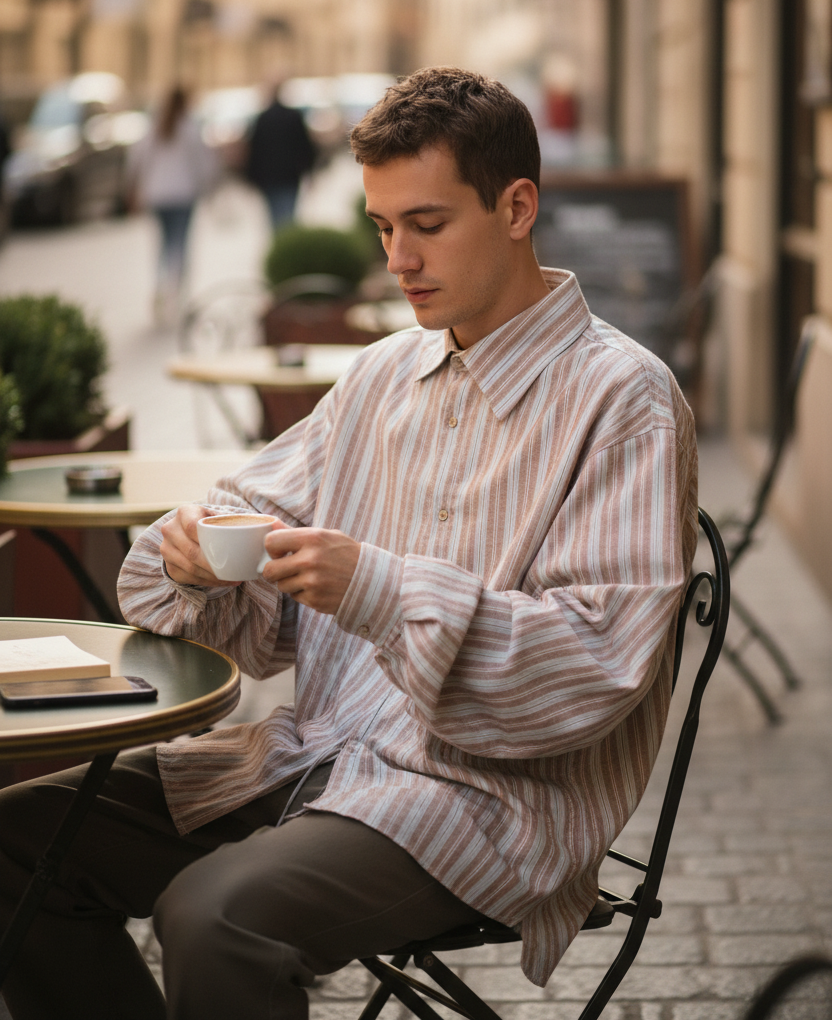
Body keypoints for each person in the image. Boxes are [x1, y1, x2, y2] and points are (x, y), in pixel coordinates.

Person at [0, 67, 698, 1020]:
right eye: (382, 228)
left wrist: (376, 588)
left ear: (518, 206)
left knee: (212, 919)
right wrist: (191, 554)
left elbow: (592, 666)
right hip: (312, 756)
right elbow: (240, 512)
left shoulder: (626, 399)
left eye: (427, 223)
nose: (398, 259)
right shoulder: (382, 374)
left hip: (484, 804)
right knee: (10, 844)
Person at [126, 85, 218, 323]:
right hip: (182, 195)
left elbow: (136, 160)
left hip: (157, 196)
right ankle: (175, 293)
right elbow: (203, 164)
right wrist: (207, 189)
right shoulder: (189, 129)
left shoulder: (155, 127)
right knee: (180, 246)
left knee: (163, 246)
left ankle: (160, 286)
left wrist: (135, 189)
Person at [243, 84, 316, 228]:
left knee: (274, 215)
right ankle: (286, 242)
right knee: (288, 215)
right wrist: (309, 170)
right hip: (289, 176)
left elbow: (254, 150)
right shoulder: (293, 116)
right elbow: (305, 147)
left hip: (269, 177)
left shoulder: (262, 118)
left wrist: (251, 177)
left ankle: (280, 242)